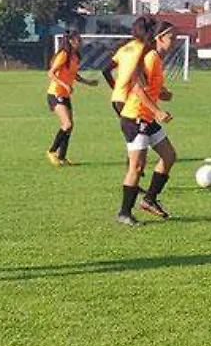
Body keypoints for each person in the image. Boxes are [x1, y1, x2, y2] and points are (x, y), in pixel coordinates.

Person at [105, 17, 178, 224]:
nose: (175, 41)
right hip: (135, 117)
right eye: (171, 37)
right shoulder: (151, 57)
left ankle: (149, 199)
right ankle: (124, 213)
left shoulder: (156, 59)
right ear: (160, 38)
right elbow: (136, 87)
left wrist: (163, 94)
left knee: (169, 156)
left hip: (146, 116)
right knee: (136, 167)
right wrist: (157, 112)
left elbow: (149, 87)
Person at [45, 26, 96, 165]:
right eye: (78, 39)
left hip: (65, 95)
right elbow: (50, 73)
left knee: (70, 126)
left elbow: (74, 75)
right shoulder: (63, 55)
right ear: (72, 40)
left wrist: (87, 82)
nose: (80, 41)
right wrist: (65, 85)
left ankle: (62, 157)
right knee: (67, 124)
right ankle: (52, 151)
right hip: (55, 94)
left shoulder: (74, 56)